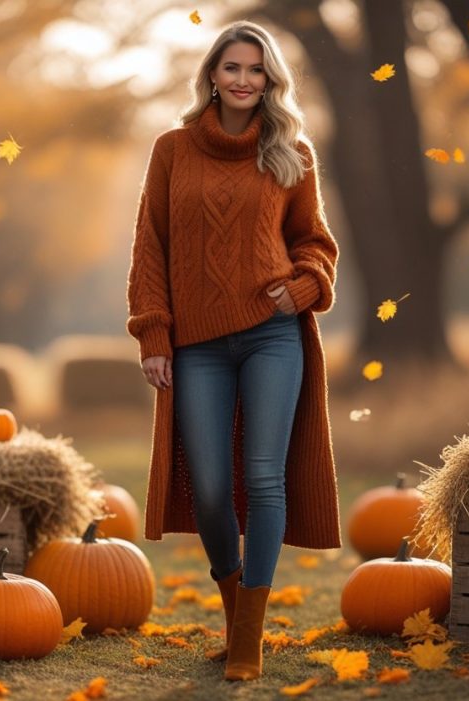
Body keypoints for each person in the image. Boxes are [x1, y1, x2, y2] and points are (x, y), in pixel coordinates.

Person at [126, 19, 340, 682]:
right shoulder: (172, 149)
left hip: (273, 335)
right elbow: (150, 247)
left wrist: (301, 287)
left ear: (270, 80)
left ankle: (249, 635)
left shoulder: (291, 151)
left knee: (264, 477)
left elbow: (315, 243)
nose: (244, 80)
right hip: (197, 345)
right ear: (212, 76)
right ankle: (231, 609)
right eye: (232, 68)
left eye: (256, 70)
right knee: (213, 487)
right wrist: (153, 333)